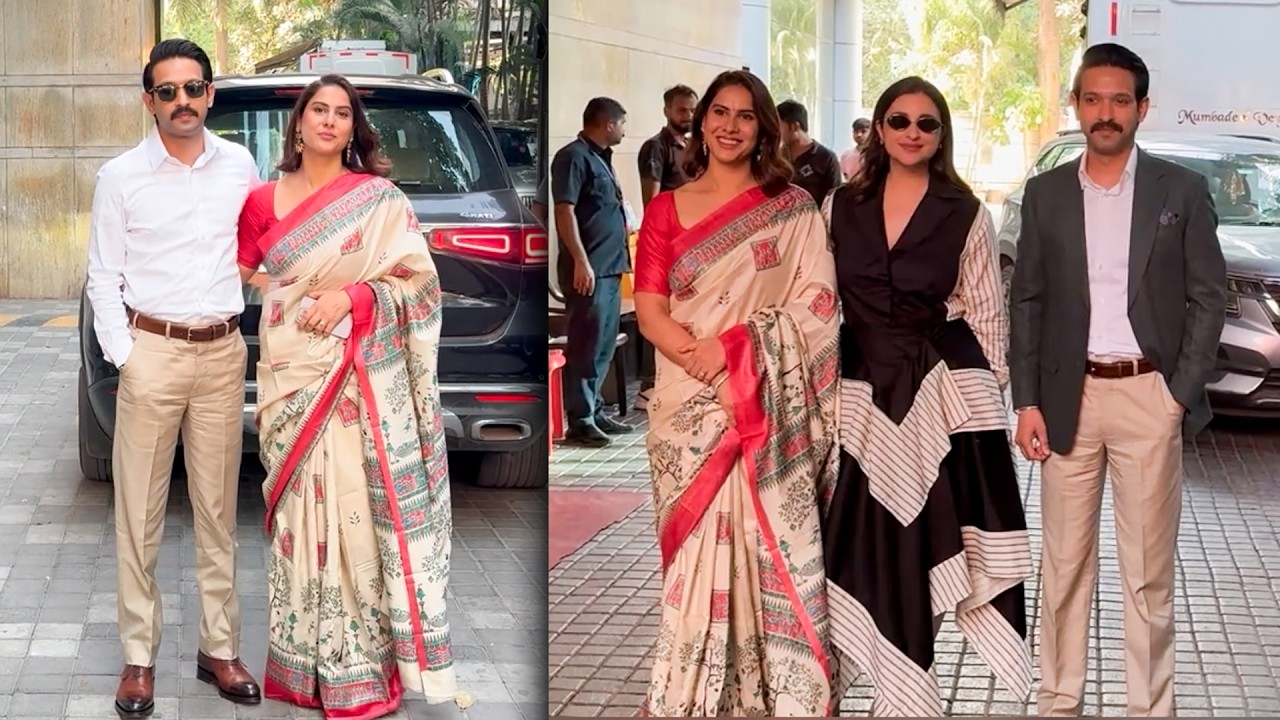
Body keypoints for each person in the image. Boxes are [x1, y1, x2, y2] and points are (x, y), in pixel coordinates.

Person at [235, 74, 470, 719]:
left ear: (353, 127)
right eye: (319, 110)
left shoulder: (380, 200)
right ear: (300, 122)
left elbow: (419, 285)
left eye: (342, 113)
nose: (330, 122)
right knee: (296, 522)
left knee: (355, 520)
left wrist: (355, 296)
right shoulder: (262, 199)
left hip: (359, 378)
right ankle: (298, 668)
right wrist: (291, 296)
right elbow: (249, 276)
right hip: (293, 377)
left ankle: (359, 671)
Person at [1009, 43, 1226, 717]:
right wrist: (1027, 403)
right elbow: (1029, 302)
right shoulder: (1045, 194)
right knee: (1065, 570)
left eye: (1120, 100)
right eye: (1093, 98)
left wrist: (1176, 397)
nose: (1106, 113)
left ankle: (1148, 709)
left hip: (1146, 397)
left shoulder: (1180, 191)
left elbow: (1209, 297)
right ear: (1075, 104)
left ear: (1142, 107)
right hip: (1067, 398)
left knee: (1147, 576)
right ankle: (1058, 703)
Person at [821, 76, 1034, 715]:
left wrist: (982, 407)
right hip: (857, 401)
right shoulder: (837, 206)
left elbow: (990, 316)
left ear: (942, 134)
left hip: (942, 399)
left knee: (935, 542)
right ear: (879, 129)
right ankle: (890, 688)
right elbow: (818, 299)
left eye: (927, 123)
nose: (912, 132)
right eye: (899, 120)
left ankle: (909, 696)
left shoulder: (967, 211)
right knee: (865, 541)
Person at [634, 69, 840, 717]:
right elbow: (649, 310)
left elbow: (816, 307)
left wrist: (733, 356)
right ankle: (689, 696)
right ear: (701, 124)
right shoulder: (667, 208)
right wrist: (706, 361)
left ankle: (777, 693)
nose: (727, 125)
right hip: (687, 411)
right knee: (696, 556)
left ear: (764, 129)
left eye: (744, 116)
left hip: (763, 413)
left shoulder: (793, 211)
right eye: (717, 113)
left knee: (762, 548)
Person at [85, 38, 262, 719]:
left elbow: (260, 254)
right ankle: (138, 658)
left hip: (222, 354)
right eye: (168, 90)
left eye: (193, 88)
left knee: (219, 511)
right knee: (140, 514)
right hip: (151, 351)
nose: (182, 101)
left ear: (210, 94)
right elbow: (104, 277)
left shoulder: (239, 165)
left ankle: (219, 650)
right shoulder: (121, 176)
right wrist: (127, 356)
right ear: (148, 99)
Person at [552, 97, 634, 447]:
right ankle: (580, 419)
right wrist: (581, 261)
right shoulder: (573, 157)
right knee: (586, 344)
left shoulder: (602, 159)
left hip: (611, 266)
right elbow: (565, 211)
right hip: (589, 269)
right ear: (608, 124)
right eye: (623, 124)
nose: (624, 131)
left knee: (603, 344)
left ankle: (596, 410)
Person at [635, 84, 699, 411]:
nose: (687, 116)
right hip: (669, 244)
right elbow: (653, 201)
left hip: (698, 247)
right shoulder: (655, 148)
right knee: (655, 309)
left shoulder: (693, 148)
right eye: (681, 110)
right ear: (667, 111)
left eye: (691, 109)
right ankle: (649, 383)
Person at [777, 99, 843, 205]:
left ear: (794, 127)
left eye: (778, 126)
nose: (775, 131)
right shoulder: (776, 158)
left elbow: (835, 200)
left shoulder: (826, 158)